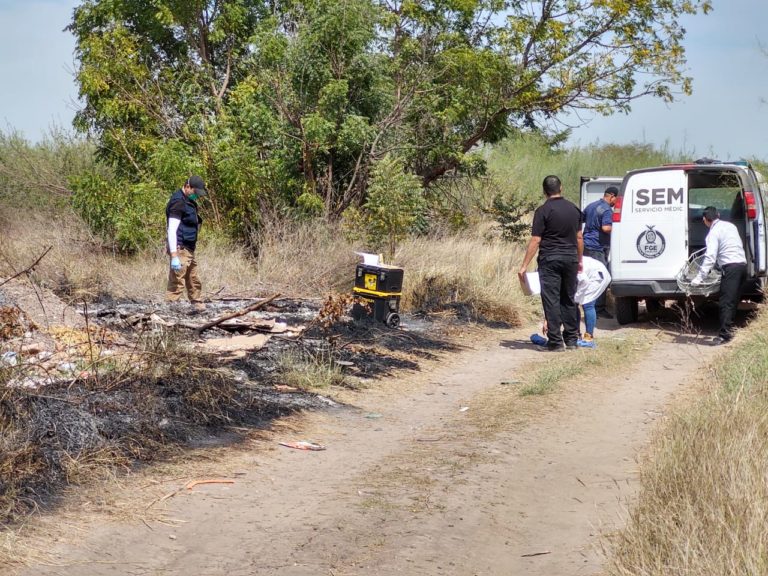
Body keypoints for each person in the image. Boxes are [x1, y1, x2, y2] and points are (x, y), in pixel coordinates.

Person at [519, 175, 583, 351]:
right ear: (561, 188)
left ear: (544, 191)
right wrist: (579, 260)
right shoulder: (574, 210)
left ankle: (555, 342)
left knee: (551, 299)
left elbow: (536, 240)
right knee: (569, 298)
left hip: (550, 259)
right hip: (570, 259)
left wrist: (524, 265)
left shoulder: (542, 211)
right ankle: (571, 340)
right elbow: (579, 238)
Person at [692, 206, 747, 345]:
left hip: (731, 268)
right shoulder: (731, 226)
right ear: (718, 215)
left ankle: (724, 335)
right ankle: (730, 330)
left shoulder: (713, 233)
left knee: (725, 303)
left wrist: (699, 277)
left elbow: (710, 257)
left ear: (705, 220)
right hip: (742, 266)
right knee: (733, 300)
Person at [530, 256, 611, 348]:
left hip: (597, 276)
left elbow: (583, 280)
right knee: (572, 303)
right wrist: (547, 319)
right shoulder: (553, 270)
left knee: (587, 304)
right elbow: (552, 299)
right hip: (585, 277)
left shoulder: (563, 267)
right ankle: (576, 335)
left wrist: (576, 297)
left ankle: (589, 338)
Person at [166, 175, 207, 311]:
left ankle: (197, 305)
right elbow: (172, 230)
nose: (197, 196)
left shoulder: (188, 201)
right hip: (180, 248)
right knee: (177, 282)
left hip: (188, 249)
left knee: (193, 278)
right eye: (195, 193)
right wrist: (174, 256)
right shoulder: (178, 202)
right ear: (188, 187)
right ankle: (171, 310)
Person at [582, 186, 618, 318]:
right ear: (611, 196)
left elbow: (581, 219)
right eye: (616, 199)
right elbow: (606, 227)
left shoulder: (591, 206)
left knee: (588, 276)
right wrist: (619, 227)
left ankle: (587, 305)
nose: (615, 203)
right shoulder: (607, 209)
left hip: (586, 245)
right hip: (597, 247)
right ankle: (598, 308)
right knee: (601, 277)